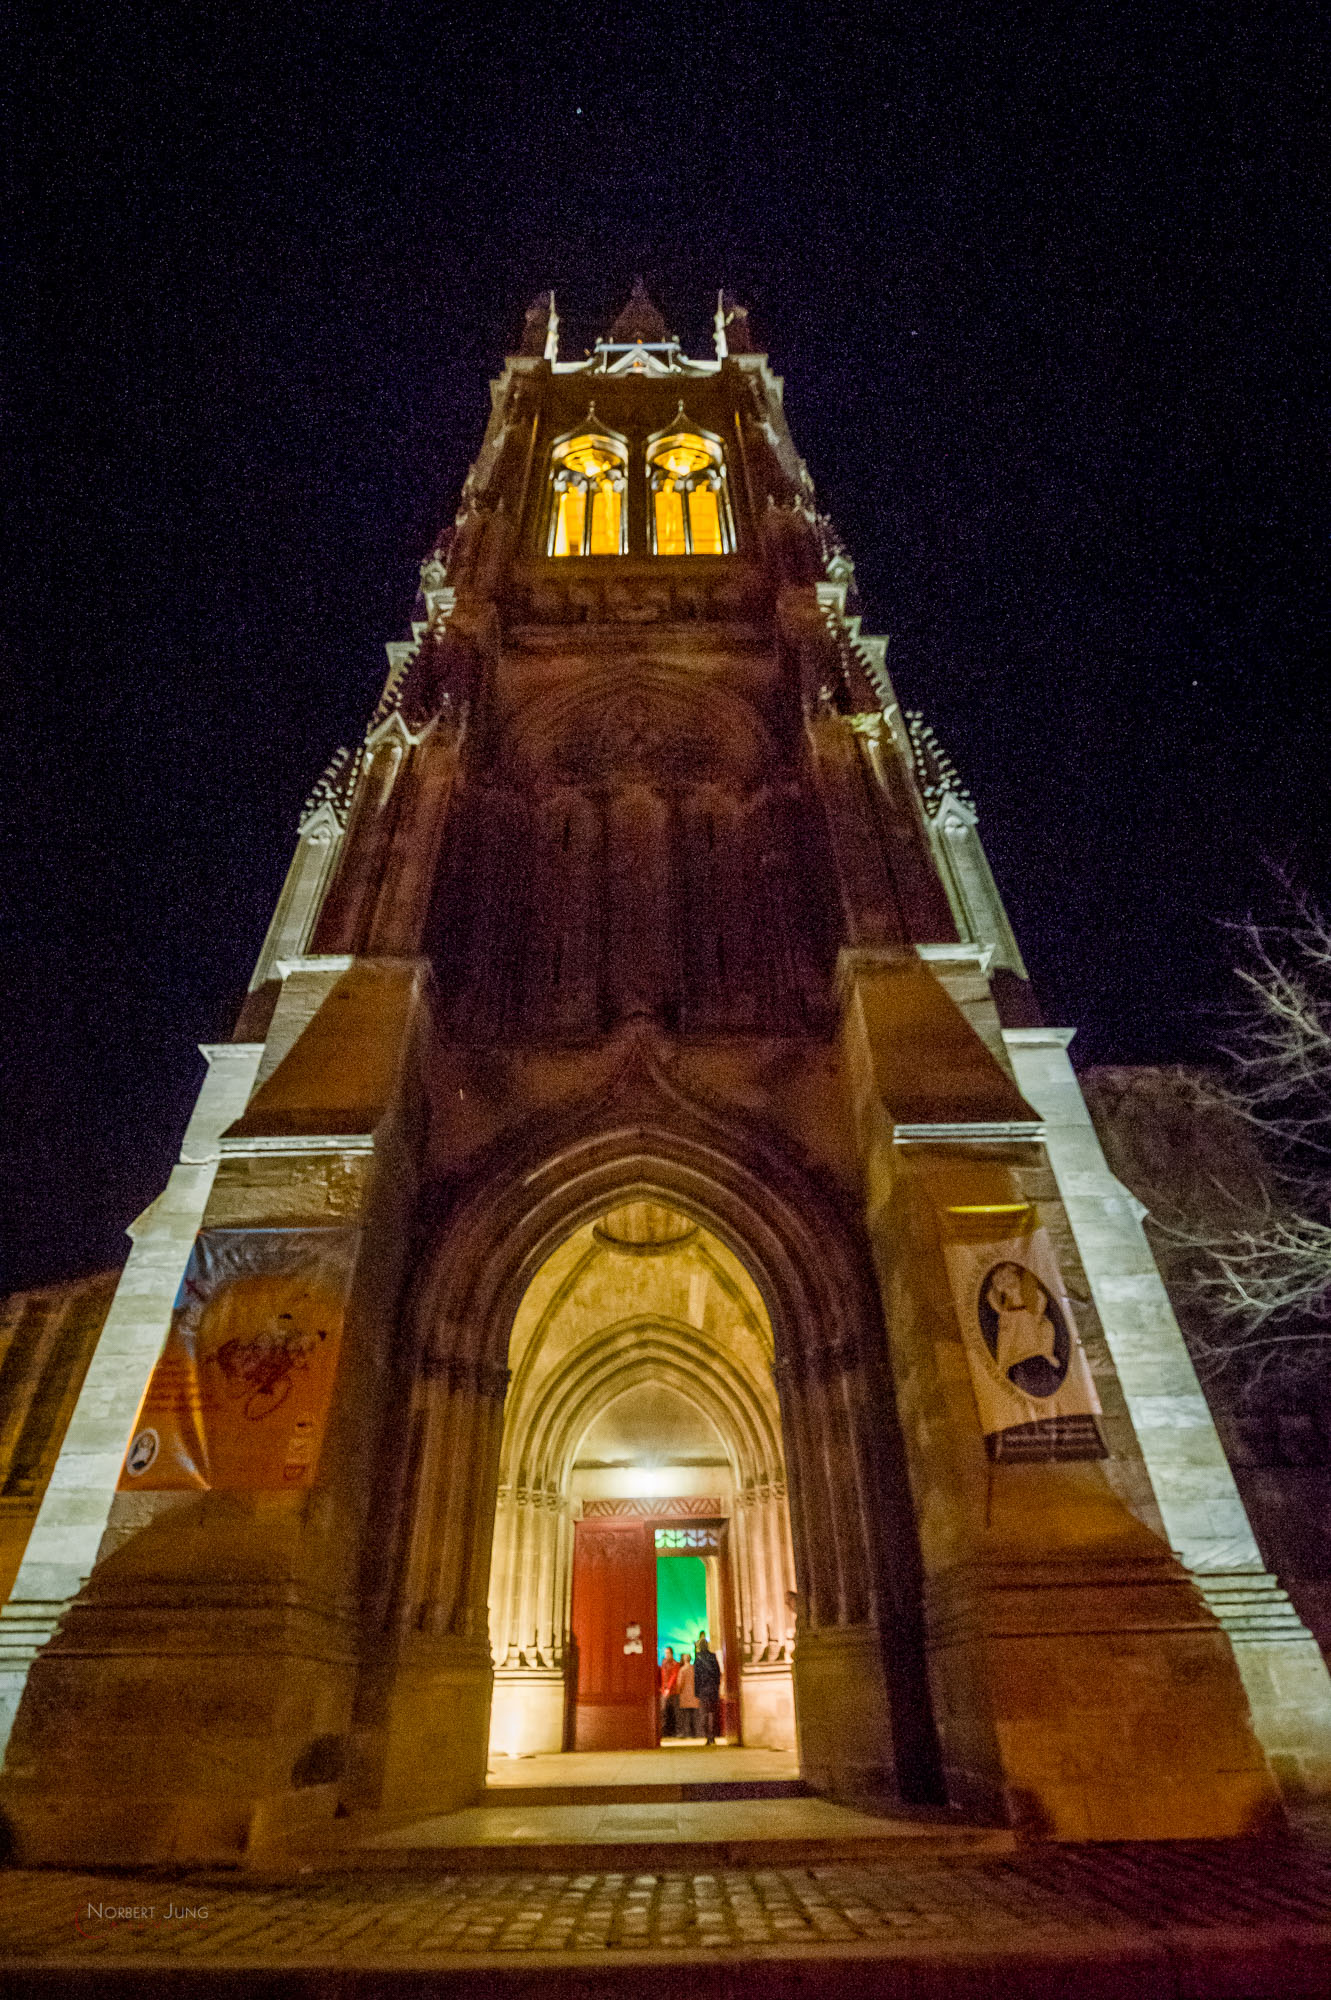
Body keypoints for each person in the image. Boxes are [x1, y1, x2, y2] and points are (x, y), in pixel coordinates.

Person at [692, 1631, 722, 1745]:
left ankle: (707, 1737)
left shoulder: (698, 1660)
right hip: (713, 1689)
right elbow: (718, 1673)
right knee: (712, 1713)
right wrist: (717, 1686)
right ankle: (712, 1736)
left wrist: (696, 1692)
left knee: (704, 1713)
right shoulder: (713, 1657)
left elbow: (696, 1677)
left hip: (703, 1690)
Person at [675, 1652, 698, 1738]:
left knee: (685, 1715)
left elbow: (680, 1683)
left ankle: (686, 1732)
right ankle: (694, 1733)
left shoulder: (682, 1670)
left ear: (684, 1659)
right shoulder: (694, 1669)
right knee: (693, 1715)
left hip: (685, 1694)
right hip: (694, 1695)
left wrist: (678, 1691)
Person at [659, 1647, 680, 1738]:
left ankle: (675, 1731)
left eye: (668, 1653)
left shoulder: (675, 1664)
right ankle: (664, 1731)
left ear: (671, 1654)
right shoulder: (663, 1664)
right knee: (664, 1712)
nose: (666, 1655)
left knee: (674, 1712)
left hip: (673, 1691)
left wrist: (668, 1688)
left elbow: (674, 1676)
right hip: (664, 1690)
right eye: (665, 1653)